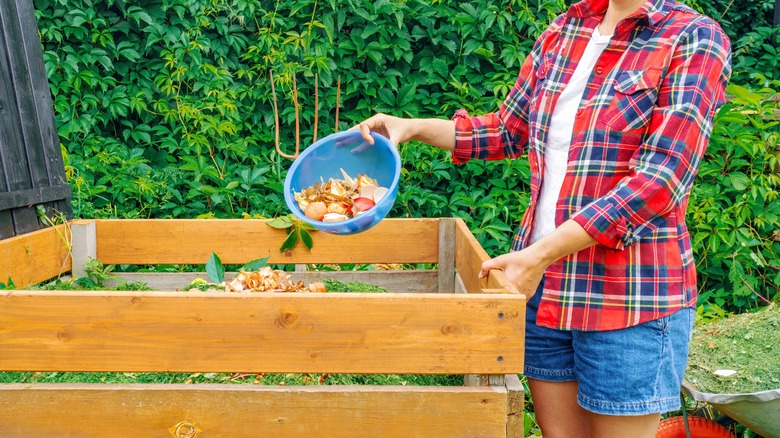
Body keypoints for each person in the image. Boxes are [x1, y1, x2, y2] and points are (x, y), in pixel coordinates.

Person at [354, 0, 731, 436]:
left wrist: (539, 254)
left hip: (628, 296)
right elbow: (507, 131)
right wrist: (409, 127)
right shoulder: (566, 28)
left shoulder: (692, 36)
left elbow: (659, 181)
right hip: (546, 289)